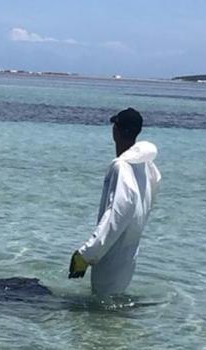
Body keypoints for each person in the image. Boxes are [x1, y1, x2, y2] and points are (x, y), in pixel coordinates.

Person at [68, 107, 161, 296]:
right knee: (114, 308)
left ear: (115, 131)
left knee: (101, 308)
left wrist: (86, 254)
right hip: (129, 255)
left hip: (111, 255)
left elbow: (117, 213)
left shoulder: (121, 166)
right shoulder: (147, 166)